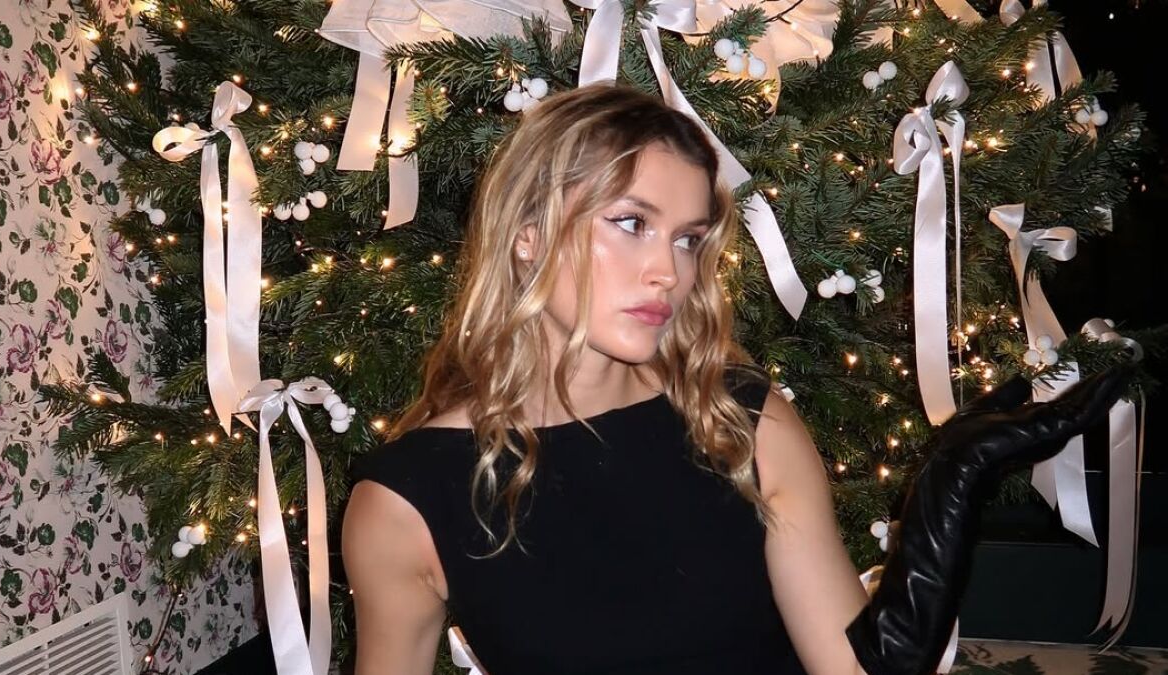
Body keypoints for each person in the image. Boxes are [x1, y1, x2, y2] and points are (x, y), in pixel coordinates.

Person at [340, 83, 1136, 675]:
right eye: (631, 223)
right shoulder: (406, 500)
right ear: (527, 234)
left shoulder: (740, 420)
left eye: (688, 238)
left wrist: (945, 486)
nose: (668, 271)